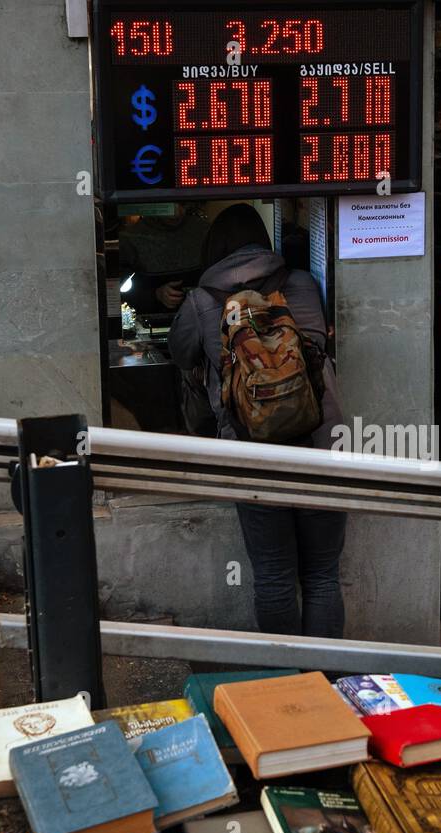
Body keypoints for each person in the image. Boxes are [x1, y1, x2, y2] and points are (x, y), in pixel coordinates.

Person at [166, 204, 347, 638]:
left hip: (253, 454)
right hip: (323, 445)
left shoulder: (201, 301)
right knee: (322, 575)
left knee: (274, 577)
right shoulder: (301, 283)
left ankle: (286, 689)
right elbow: (320, 339)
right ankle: (328, 683)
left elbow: (180, 353)